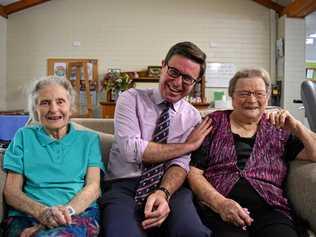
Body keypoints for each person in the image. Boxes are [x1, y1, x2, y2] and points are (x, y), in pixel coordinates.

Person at [101, 41, 212, 237]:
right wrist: (188, 145)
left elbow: (180, 163)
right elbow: (131, 150)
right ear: (163, 66)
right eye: (174, 72)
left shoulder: (193, 117)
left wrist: (164, 192)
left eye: (187, 78)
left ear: (195, 83)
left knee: (193, 232)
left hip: (170, 187)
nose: (177, 83)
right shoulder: (130, 98)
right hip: (124, 185)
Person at [188, 68, 316, 237]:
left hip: (271, 210)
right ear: (232, 98)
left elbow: (313, 154)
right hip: (220, 211)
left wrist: (298, 128)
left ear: (267, 97)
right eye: (244, 93)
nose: (252, 99)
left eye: (259, 93)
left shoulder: (278, 128)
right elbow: (194, 173)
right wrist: (220, 204)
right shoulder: (213, 124)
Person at [2, 76, 105, 237]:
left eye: (60, 101)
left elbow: (93, 187)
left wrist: (65, 212)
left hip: (77, 213)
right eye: (45, 102)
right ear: (35, 109)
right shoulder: (23, 136)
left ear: (70, 107)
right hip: (28, 215)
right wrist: (42, 213)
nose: (53, 109)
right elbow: (11, 192)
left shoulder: (89, 140)